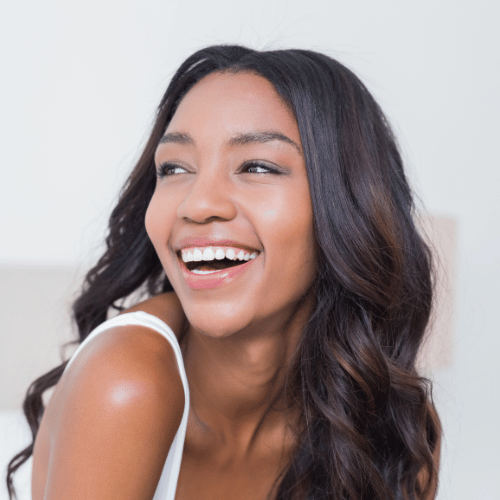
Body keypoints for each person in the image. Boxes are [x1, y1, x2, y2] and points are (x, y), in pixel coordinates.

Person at [7, 45, 441, 500]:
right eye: (174, 168)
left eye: (256, 166)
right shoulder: (126, 384)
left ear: (347, 206)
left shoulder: (393, 423)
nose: (197, 204)